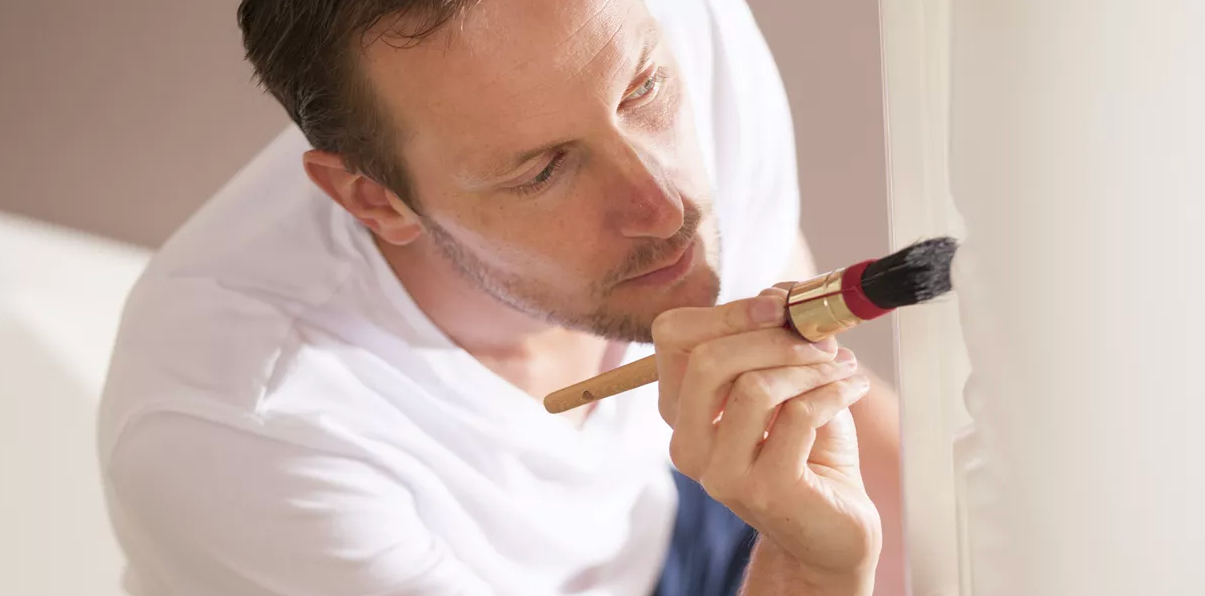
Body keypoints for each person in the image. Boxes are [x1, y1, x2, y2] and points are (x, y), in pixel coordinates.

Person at [97, 0, 906, 594]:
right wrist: (811, 573)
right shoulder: (246, 436)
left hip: (678, 502)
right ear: (374, 200)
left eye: (643, 92)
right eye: (544, 170)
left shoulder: (677, 29)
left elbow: (843, 416)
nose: (665, 208)